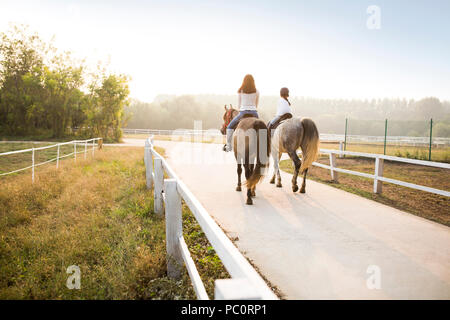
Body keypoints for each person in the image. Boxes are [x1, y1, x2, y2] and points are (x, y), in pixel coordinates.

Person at [224, 74, 260, 152]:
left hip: (243, 113)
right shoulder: (257, 91)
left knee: (229, 127)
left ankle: (229, 146)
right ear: (253, 81)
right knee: (262, 129)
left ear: (244, 81)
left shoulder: (241, 91)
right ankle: (263, 147)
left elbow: (239, 105)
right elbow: (256, 104)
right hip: (254, 113)